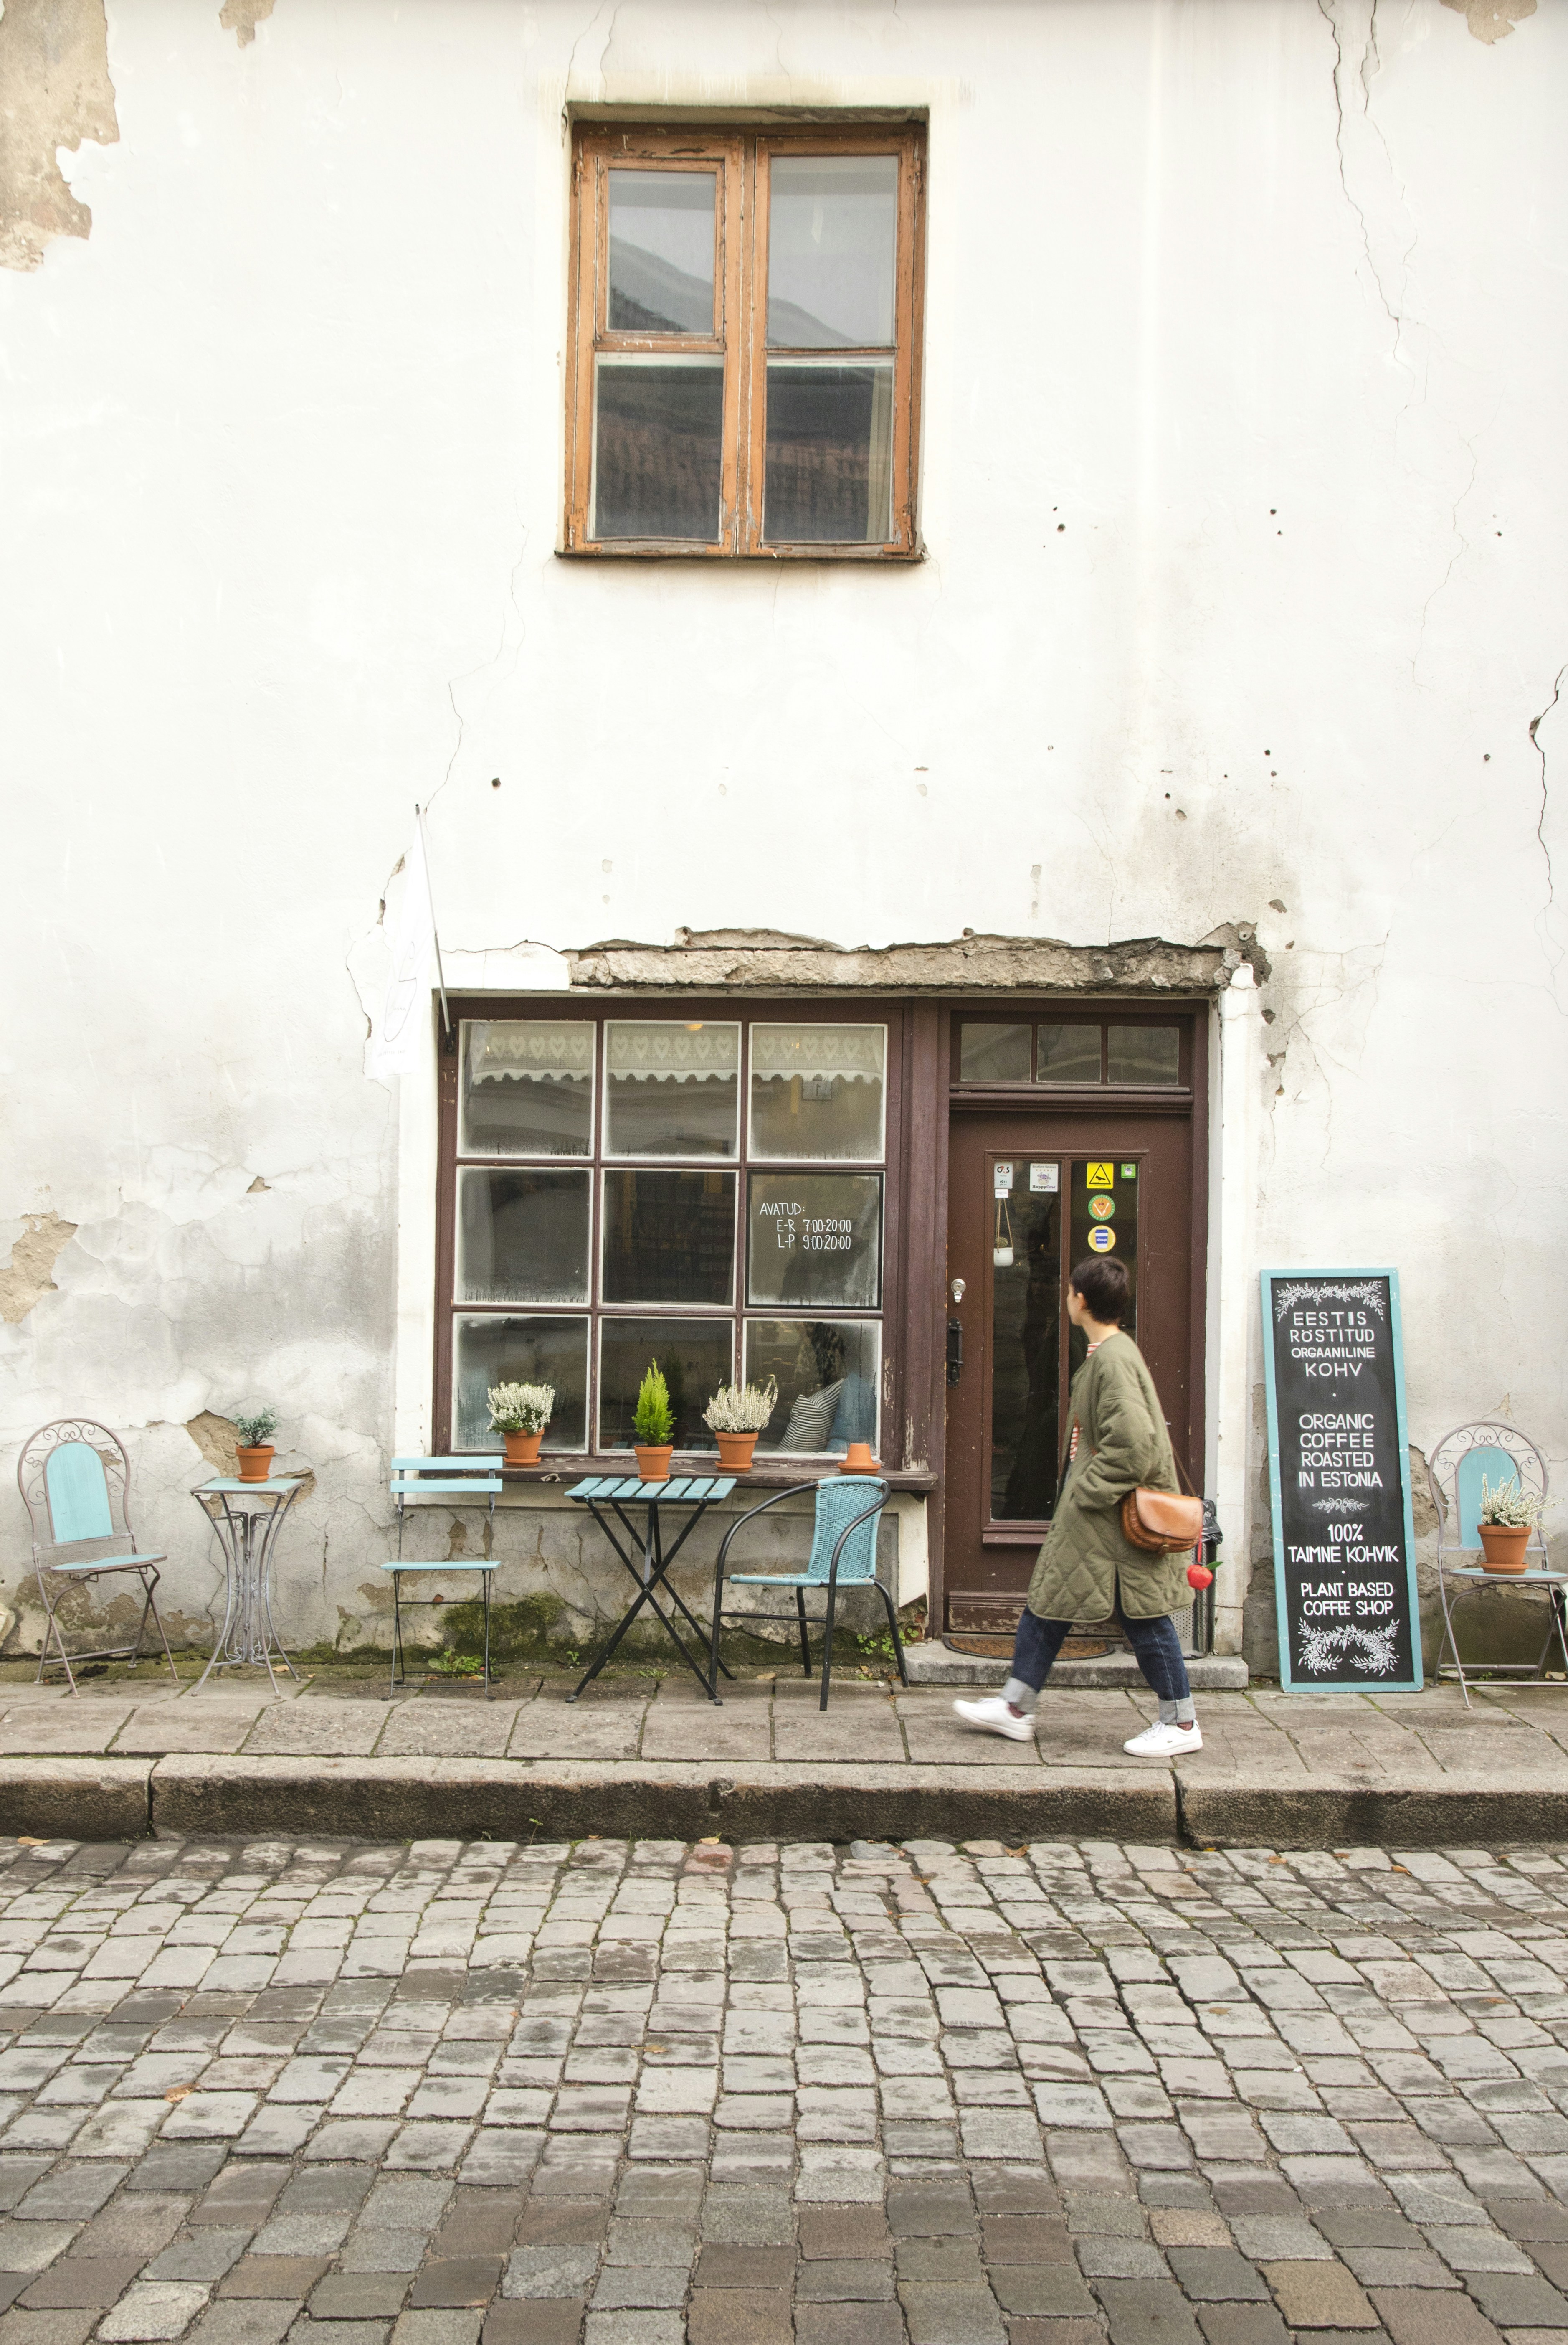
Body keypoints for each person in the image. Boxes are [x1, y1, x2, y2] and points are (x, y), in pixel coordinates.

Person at [954, 1255, 1201, 1757]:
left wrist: (1084, 1493)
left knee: (1143, 1617)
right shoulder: (1111, 1351)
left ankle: (1180, 1723)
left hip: (1107, 1520)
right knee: (1049, 1603)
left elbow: (1132, 1443)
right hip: (1097, 1522)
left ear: (1080, 1299)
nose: (1065, 1297)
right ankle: (1015, 1707)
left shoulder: (1111, 1358)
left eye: (1068, 1291)